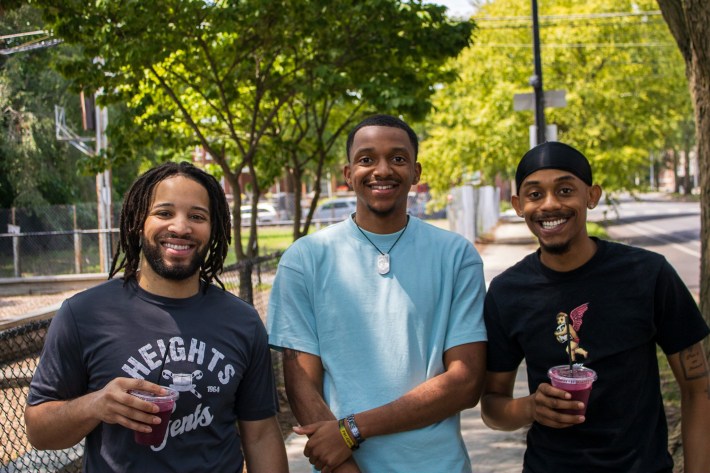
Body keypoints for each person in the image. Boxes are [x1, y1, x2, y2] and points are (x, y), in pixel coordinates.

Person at [25, 161, 288, 473]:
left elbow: (260, 435)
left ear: (212, 228)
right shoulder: (84, 315)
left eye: (197, 216)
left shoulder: (242, 321)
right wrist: (96, 404)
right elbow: (38, 431)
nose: (180, 227)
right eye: (164, 213)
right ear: (140, 222)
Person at [267, 114, 487, 473]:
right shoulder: (305, 259)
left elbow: (465, 381)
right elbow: (302, 382)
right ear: (347, 173)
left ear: (416, 173)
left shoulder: (456, 256)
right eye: (367, 159)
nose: (382, 170)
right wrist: (346, 465)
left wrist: (352, 429)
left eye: (397, 158)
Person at [481, 141, 710, 472]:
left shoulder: (648, 274)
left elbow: (697, 390)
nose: (549, 205)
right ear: (518, 205)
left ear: (592, 195)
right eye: (534, 194)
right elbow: (492, 406)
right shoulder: (507, 293)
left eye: (565, 190)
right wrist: (530, 408)